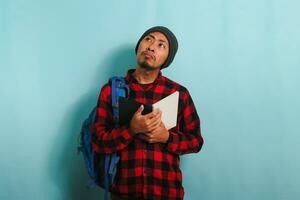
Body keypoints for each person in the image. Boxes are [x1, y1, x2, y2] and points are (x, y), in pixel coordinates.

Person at [92, 26, 204, 200]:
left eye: (161, 45)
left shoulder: (179, 94)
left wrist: (166, 137)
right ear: (139, 46)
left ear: (167, 58)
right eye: (148, 39)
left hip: (166, 193)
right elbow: (98, 143)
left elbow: (196, 141)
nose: (151, 47)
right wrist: (130, 130)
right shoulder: (111, 91)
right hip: (123, 194)